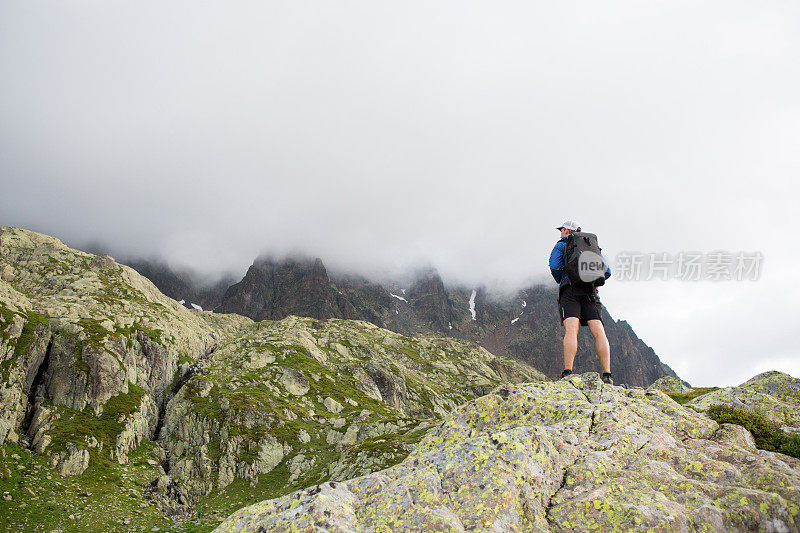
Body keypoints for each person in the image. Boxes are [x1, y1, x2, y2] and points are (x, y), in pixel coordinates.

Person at [548, 220, 614, 385]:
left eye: (561, 230)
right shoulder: (591, 245)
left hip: (570, 291)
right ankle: (607, 375)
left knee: (571, 330)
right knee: (599, 331)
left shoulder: (561, 245)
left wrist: (564, 279)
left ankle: (568, 372)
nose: (560, 233)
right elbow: (607, 271)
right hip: (590, 292)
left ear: (565, 230)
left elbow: (555, 266)